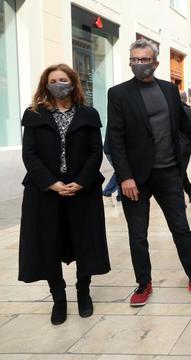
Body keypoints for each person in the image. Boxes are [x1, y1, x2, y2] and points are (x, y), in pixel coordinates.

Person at [107, 39, 191, 307]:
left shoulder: (168, 90)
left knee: (181, 229)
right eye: (134, 60)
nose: (138, 64)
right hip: (136, 178)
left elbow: (185, 126)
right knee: (138, 235)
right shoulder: (118, 94)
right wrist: (125, 177)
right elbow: (115, 139)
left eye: (143, 60)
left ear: (155, 63)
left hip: (168, 173)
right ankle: (144, 283)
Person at [19, 64, 110, 325]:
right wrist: (51, 183)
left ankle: (83, 291)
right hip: (44, 192)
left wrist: (81, 181)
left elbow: (96, 151)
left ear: (73, 82)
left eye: (63, 79)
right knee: (48, 244)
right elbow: (30, 154)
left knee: (84, 241)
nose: (59, 84)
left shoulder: (89, 114)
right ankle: (58, 298)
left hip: (83, 190)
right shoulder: (34, 114)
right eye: (53, 80)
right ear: (45, 85)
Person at [102, 132, 121, 202]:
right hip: (112, 150)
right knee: (120, 171)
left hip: (112, 149)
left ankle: (120, 195)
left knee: (120, 171)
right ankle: (107, 191)